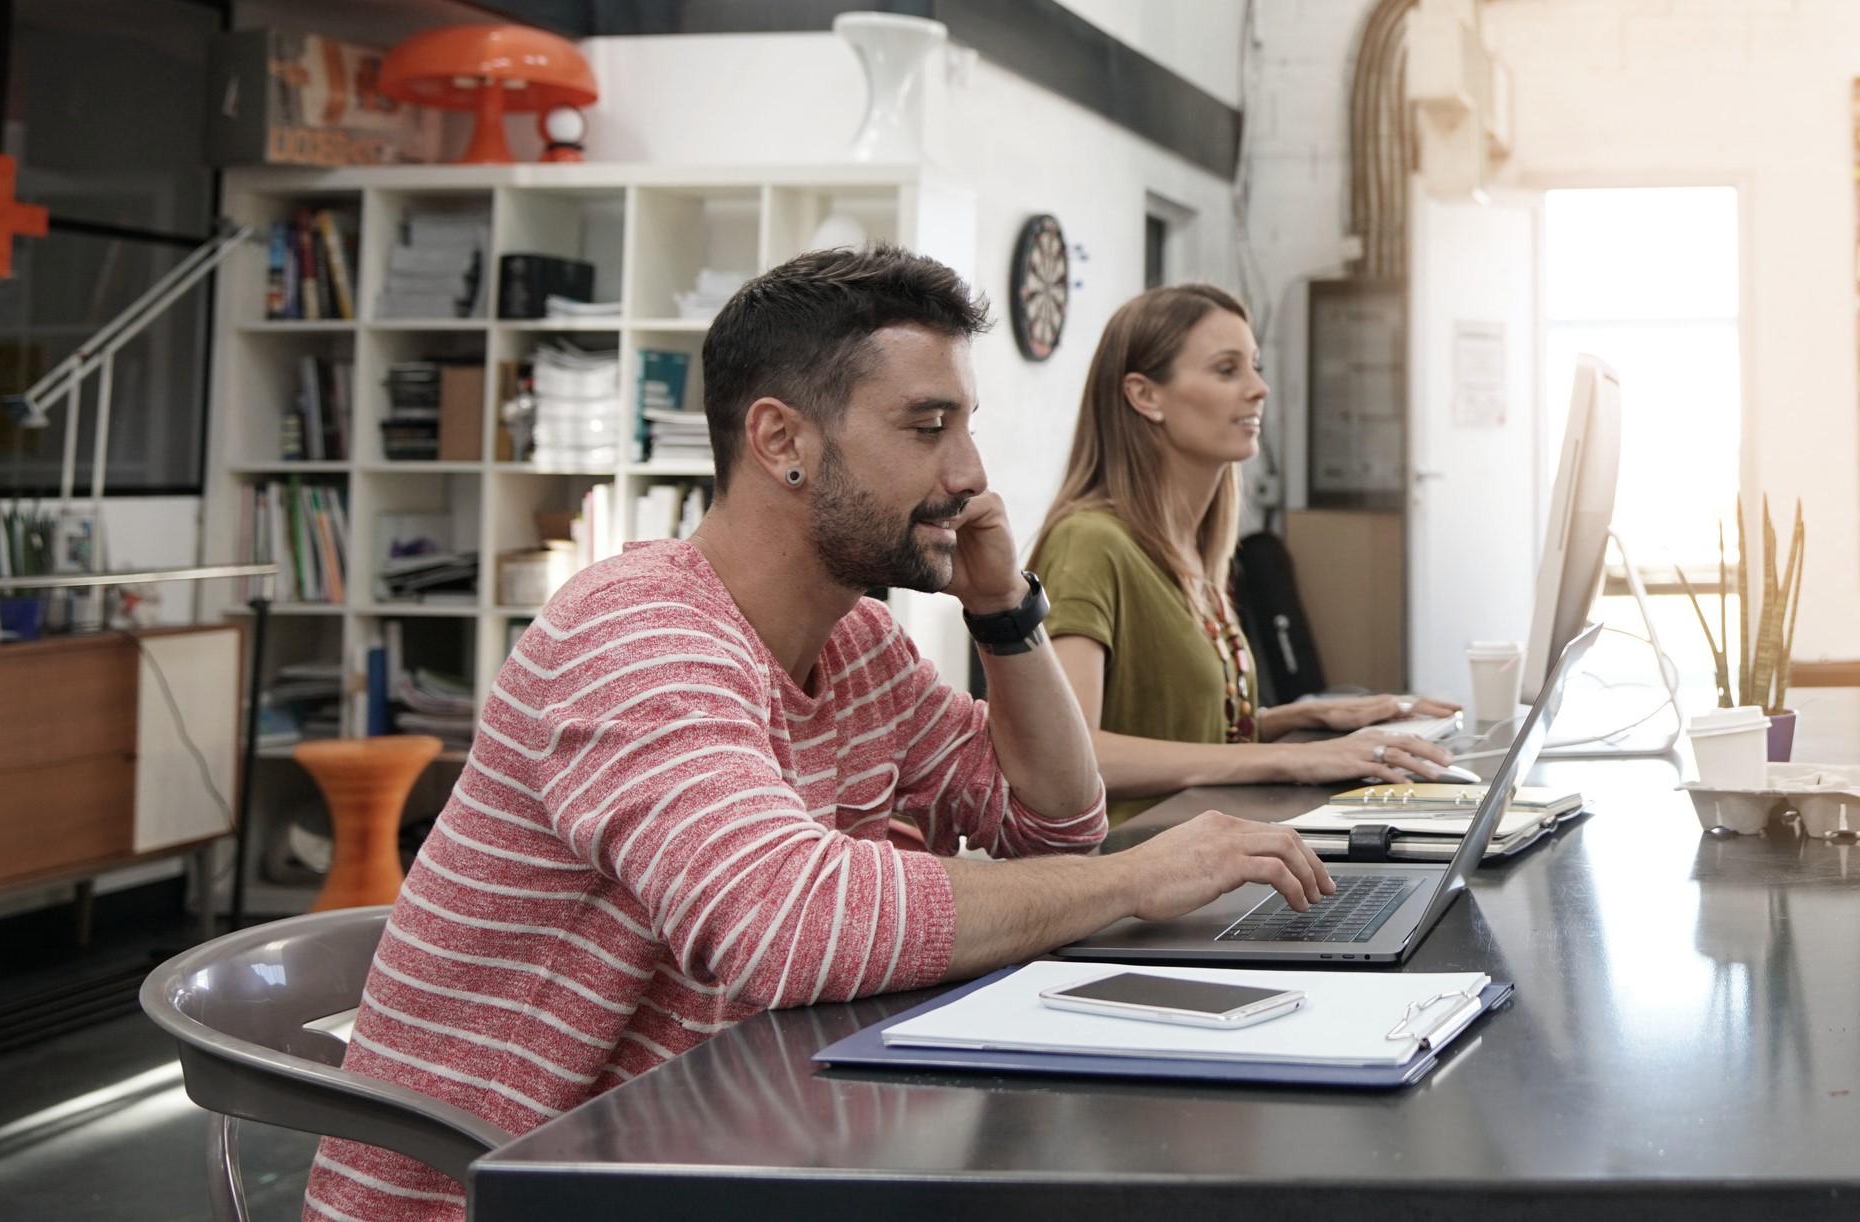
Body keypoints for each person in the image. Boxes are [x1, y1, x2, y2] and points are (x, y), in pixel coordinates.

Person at [305, 249, 1338, 1222]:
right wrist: (1136, 878)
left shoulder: (858, 644)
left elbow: (1052, 822)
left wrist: (1007, 615)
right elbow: (786, 921)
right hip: (497, 1192)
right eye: (928, 427)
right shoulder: (636, 632)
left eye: (965, 427)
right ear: (782, 440)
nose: (971, 475)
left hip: (695, 1152)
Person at [1029, 283, 1461, 824]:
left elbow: (1179, 728)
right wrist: (1290, 758)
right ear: (1145, 395)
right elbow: (1074, 756)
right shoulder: (1089, 542)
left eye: (1254, 367)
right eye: (1227, 370)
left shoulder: (1190, 547)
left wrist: (1314, 717)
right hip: (1135, 875)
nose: (1259, 388)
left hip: (1208, 851)